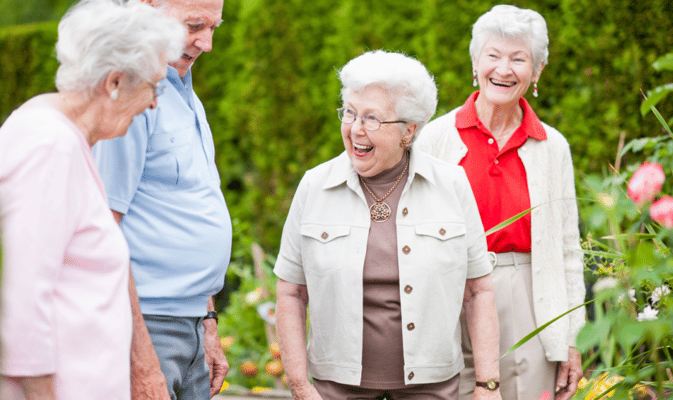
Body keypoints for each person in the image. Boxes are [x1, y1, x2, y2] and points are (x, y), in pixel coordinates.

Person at [275, 50, 502, 400]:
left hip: (431, 387)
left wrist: (488, 385)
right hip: (336, 389)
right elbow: (291, 291)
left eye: (372, 118)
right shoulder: (315, 186)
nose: (355, 129)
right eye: (349, 113)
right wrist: (300, 386)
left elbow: (477, 291)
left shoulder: (451, 184)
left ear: (408, 131)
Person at [0, 0, 184, 398]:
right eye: (154, 85)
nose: (155, 102)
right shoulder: (49, 147)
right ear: (115, 82)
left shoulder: (68, 142)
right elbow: (22, 294)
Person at [416, 5, 586, 400]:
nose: (503, 69)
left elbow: (567, 250)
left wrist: (571, 338)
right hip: (448, 294)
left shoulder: (552, 146)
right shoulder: (434, 139)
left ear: (537, 71)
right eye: (493, 55)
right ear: (475, 62)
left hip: (525, 296)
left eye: (518, 58)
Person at [92, 0, 231, 398]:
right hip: (147, 322)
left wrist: (207, 319)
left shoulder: (186, 94)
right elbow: (104, 229)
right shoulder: (131, 97)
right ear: (147, 9)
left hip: (189, 322)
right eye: (193, 26)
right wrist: (139, 351)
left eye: (214, 28)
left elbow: (191, 206)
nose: (206, 43)